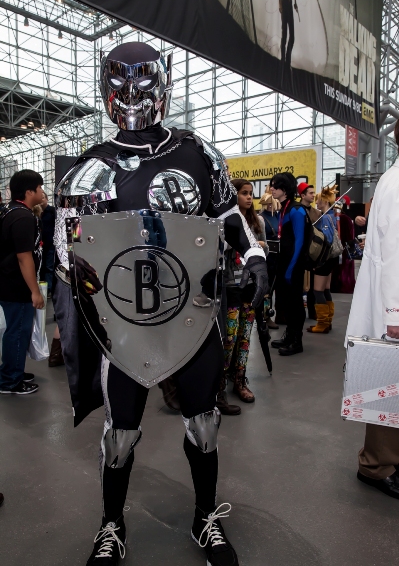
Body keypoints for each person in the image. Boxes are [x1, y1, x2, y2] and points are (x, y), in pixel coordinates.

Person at [53, 41, 268, 566]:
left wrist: (255, 255)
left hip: (192, 317)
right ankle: (111, 524)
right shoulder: (91, 167)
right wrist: (71, 268)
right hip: (122, 329)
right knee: (120, 432)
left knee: (205, 422)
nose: (131, 94)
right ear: (106, 89)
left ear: (162, 85)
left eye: (142, 82)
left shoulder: (196, 152)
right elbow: (64, 239)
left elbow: (228, 218)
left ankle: (204, 517)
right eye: (119, 83)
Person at [346, 120, 399, 499]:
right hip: (393, 308)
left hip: (392, 303)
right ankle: (377, 466)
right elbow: (395, 256)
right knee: (388, 385)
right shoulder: (397, 184)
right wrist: (395, 315)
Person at [223, 179, 268, 404]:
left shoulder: (257, 221)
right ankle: (220, 384)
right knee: (229, 336)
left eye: (251, 193)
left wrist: (259, 248)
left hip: (250, 285)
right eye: (244, 193)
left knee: (245, 335)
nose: (249, 197)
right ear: (234, 195)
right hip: (231, 285)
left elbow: (266, 250)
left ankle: (240, 379)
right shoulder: (226, 220)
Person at [0, 169, 45, 395]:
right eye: (39, 188)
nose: (42, 192)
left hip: (8, 282)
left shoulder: (10, 211)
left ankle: (12, 370)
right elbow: (23, 256)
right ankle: (10, 381)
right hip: (16, 286)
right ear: (29, 191)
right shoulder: (23, 217)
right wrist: (35, 291)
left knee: (16, 330)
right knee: (18, 331)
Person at [270, 173, 308, 356]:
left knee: (295, 304)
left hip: (293, 264)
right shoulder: (284, 208)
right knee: (286, 302)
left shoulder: (296, 210)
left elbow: (300, 242)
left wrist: (291, 268)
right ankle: (289, 336)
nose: (271, 189)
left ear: (284, 189)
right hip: (284, 263)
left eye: (275, 186)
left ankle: (296, 341)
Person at [307, 185, 339, 334]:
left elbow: (326, 239)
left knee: (318, 290)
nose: (317, 202)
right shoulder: (332, 215)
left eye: (319, 200)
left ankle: (322, 323)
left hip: (325, 258)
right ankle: (328, 321)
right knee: (326, 289)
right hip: (332, 258)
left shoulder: (325, 217)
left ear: (324, 201)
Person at [298, 183, 321, 320]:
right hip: (299, 253)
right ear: (302, 195)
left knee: (312, 286)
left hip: (312, 253)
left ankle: (313, 312)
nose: (313, 195)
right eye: (310, 193)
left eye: (313, 193)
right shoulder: (297, 210)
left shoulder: (317, 213)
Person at [259, 188, 280, 329]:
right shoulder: (261, 218)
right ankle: (265, 316)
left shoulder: (277, 216)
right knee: (266, 289)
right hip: (267, 256)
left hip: (277, 256)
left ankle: (269, 315)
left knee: (273, 287)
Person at [331, 196, 356, 294]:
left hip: (341, 248)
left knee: (341, 268)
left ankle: (339, 285)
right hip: (345, 248)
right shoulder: (346, 219)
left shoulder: (341, 219)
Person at [277, 0, 298, 83]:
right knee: (284, 34)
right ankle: (283, 62)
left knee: (292, 36)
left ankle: (287, 62)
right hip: (284, 1)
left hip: (289, 2)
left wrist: (295, 1)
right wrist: (279, 2)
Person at [40, 193, 56, 294]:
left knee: (49, 267)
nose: (41, 200)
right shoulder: (37, 212)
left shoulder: (52, 211)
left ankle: (49, 289)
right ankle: (41, 287)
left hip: (50, 244)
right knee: (41, 267)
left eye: (43, 198)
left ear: (47, 199)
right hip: (40, 245)